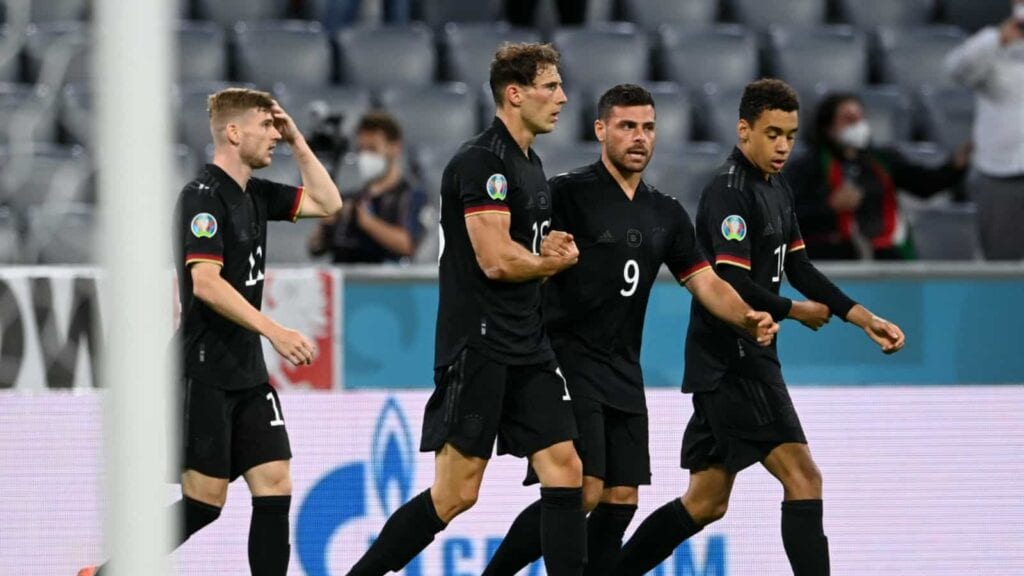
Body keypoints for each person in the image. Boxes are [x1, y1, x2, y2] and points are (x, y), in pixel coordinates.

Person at [482, 84, 779, 576]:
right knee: (584, 489)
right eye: (626, 126)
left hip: (623, 366)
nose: (639, 137)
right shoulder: (565, 194)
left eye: (647, 127)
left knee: (622, 500)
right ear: (601, 130)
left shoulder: (665, 212)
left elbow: (705, 282)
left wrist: (746, 317)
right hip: (566, 357)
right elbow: (508, 248)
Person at [614, 79, 906, 576]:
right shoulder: (729, 193)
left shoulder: (777, 188)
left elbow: (802, 268)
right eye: (772, 134)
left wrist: (863, 318)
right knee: (804, 479)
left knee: (705, 502)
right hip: (734, 360)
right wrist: (794, 311)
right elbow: (729, 278)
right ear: (743, 129)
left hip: (738, 359)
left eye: (790, 136)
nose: (782, 147)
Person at [78, 88, 343, 576]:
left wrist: (298, 139)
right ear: (233, 132)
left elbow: (329, 202)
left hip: (247, 372)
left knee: (275, 482)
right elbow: (205, 283)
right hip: (203, 369)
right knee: (204, 502)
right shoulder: (201, 197)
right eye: (266, 128)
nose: (274, 138)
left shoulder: (258, 194)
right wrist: (274, 330)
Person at [345, 42, 587, 576]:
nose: (563, 98)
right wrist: (549, 265)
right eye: (550, 86)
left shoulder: (530, 162)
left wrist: (545, 249)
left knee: (567, 471)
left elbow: (517, 248)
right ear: (515, 93)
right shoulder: (482, 161)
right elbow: (496, 261)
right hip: (479, 344)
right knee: (455, 494)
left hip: (527, 344)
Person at [784, 92, 970, 260]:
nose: (857, 124)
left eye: (860, 118)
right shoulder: (806, 166)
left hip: (884, 253)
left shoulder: (883, 160)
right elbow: (786, 216)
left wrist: (955, 166)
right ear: (828, 126)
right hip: (830, 256)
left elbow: (925, 185)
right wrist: (829, 207)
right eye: (848, 119)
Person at [944, 0, 1024, 260]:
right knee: (1004, 261)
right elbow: (956, 71)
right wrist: (998, 40)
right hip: (1002, 171)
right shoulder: (992, 43)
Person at [308, 111, 426, 263]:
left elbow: (407, 245)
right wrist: (326, 225)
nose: (365, 156)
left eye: (372, 149)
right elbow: (315, 249)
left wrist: (367, 222)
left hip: (385, 282)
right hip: (345, 278)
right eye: (361, 149)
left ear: (395, 147)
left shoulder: (410, 195)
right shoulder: (351, 198)